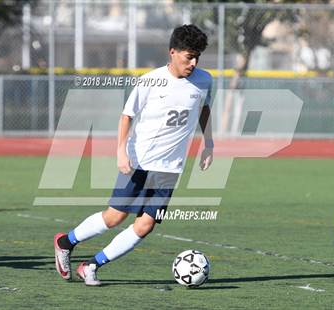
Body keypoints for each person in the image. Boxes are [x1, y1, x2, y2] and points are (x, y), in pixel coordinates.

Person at [54, 24, 214, 285]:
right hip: (139, 161)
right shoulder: (150, 80)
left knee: (146, 225)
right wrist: (120, 152)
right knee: (115, 217)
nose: (194, 63)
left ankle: (91, 265)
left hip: (170, 169)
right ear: (172, 52)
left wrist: (209, 143)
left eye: (198, 57)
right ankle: (65, 242)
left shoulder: (205, 80)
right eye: (189, 56)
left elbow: (205, 109)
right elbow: (126, 116)